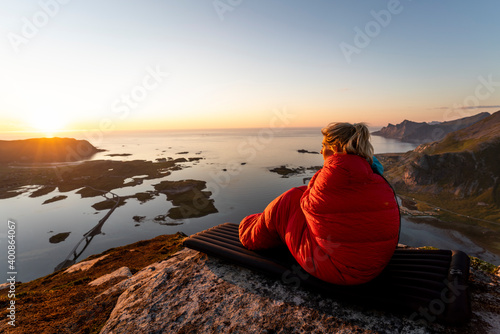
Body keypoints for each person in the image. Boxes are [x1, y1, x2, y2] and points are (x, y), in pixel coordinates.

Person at [239, 122, 400, 285]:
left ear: (336, 147)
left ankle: (249, 233)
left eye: (324, 146)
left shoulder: (333, 176)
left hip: (340, 270)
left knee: (289, 200)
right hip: (375, 266)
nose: (321, 151)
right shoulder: (375, 176)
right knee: (300, 195)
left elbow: (308, 207)